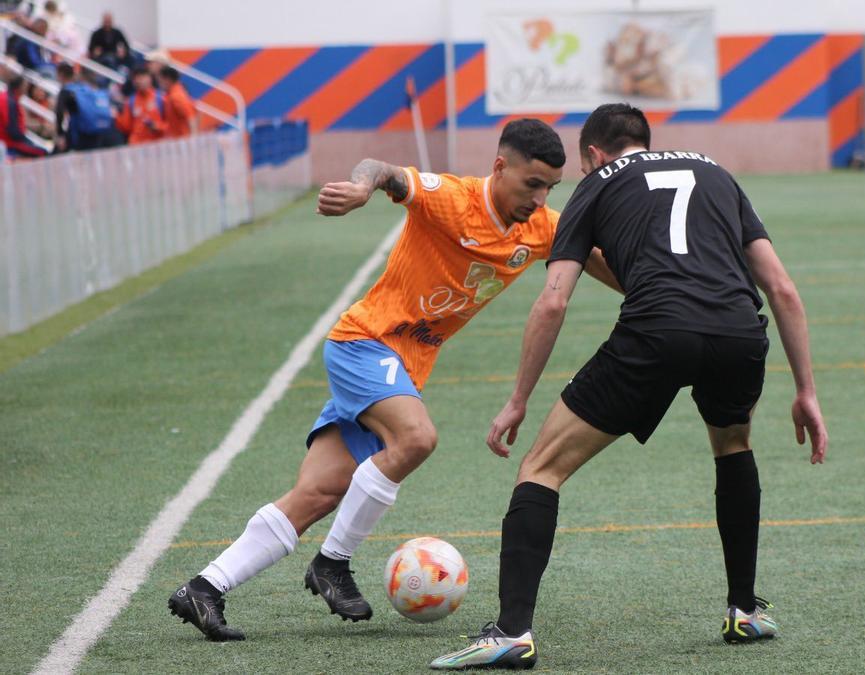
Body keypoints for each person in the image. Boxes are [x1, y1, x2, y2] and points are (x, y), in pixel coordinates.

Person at [166, 119, 620, 642]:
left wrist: (653, 286)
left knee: (318, 492)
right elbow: (382, 170)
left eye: (550, 189)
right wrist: (362, 188)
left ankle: (204, 588)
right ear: (500, 167)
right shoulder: (452, 198)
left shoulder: (538, 227)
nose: (539, 199)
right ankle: (332, 562)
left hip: (400, 369)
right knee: (416, 438)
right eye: (532, 184)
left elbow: (592, 258)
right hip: (364, 343)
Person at [430, 103, 828, 670]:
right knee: (733, 445)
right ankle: (744, 609)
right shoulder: (716, 172)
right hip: (739, 331)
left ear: (594, 154)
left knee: (541, 468)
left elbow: (553, 301)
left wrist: (518, 400)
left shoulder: (595, 185)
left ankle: (512, 632)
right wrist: (806, 390)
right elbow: (782, 289)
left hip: (656, 332)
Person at [55, 64, 116, 152]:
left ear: (60, 75)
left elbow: (59, 112)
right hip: (95, 131)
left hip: (78, 133)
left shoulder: (66, 91)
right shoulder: (83, 88)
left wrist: (60, 134)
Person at [0, 75, 48, 157]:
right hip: (10, 143)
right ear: (20, 87)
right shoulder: (9, 101)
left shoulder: (8, 98)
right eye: (25, 86)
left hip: (8, 140)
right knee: (44, 152)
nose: (26, 89)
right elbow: (13, 131)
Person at [115, 65, 164, 144]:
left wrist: (157, 126)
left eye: (141, 78)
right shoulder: (131, 101)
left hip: (158, 144)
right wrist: (116, 117)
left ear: (149, 78)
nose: (138, 81)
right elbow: (126, 127)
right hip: (137, 146)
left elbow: (172, 123)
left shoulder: (161, 98)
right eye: (135, 79)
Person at [159, 65, 196, 138]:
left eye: (160, 81)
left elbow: (190, 117)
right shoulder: (172, 95)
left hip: (183, 140)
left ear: (167, 80)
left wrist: (193, 139)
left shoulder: (176, 96)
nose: (160, 84)